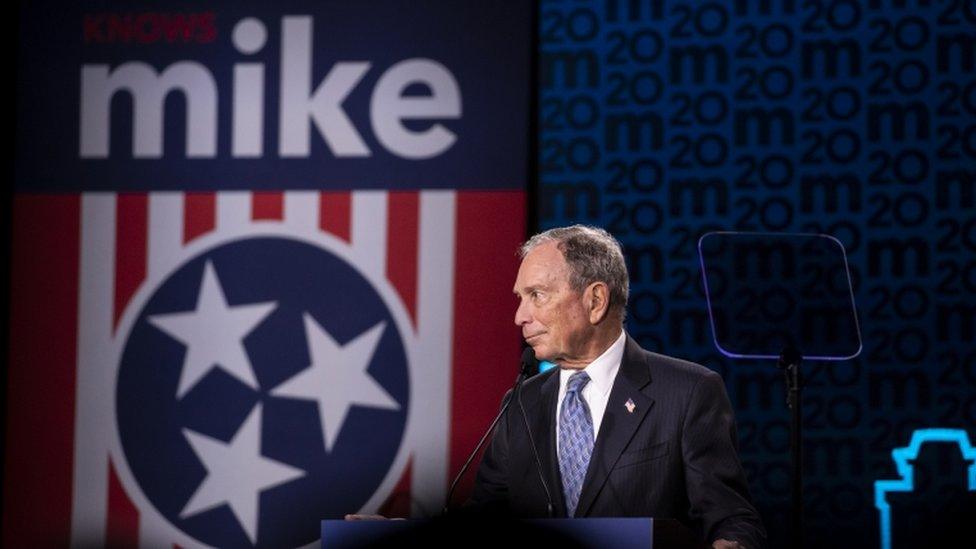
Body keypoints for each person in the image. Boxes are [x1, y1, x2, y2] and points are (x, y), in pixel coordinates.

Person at [470, 225, 766, 549]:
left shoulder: (688, 393)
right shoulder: (521, 404)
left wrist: (731, 543)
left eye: (537, 295)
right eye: (521, 298)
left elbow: (733, 520)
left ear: (595, 300)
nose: (519, 316)